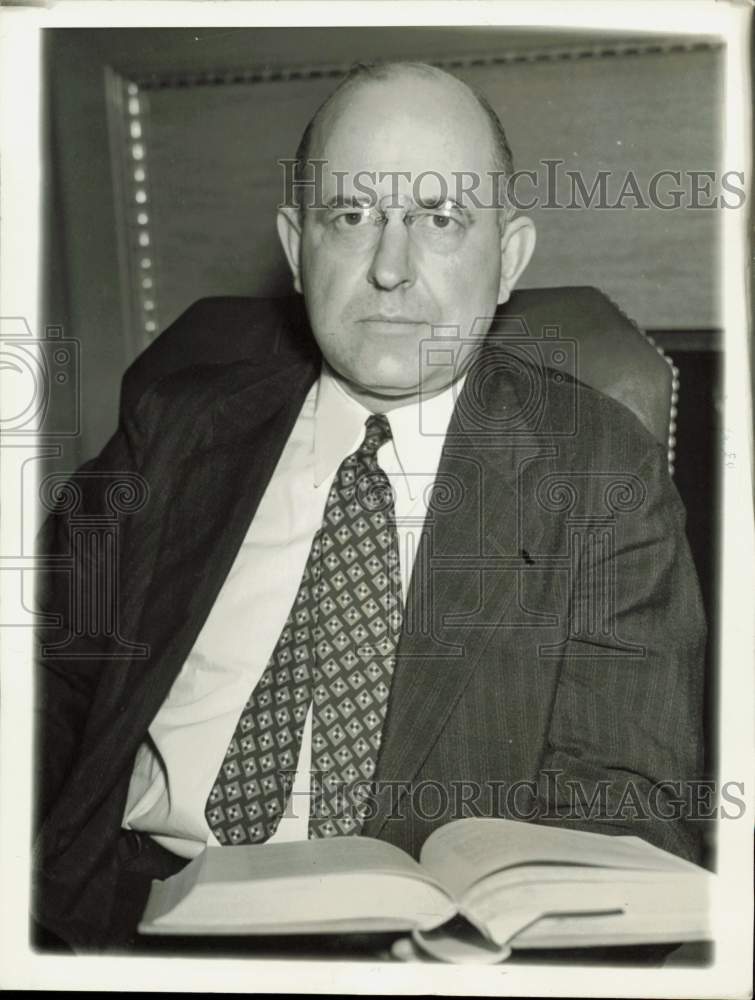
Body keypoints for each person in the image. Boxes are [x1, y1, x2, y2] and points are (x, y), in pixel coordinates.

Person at [32, 61, 706, 952]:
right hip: (117, 914)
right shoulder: (178, 425)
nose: (390, 268)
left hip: (415, 948)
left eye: (439, 219)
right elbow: (41, 680)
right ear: (294, 245)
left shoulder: (595, 473)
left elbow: (625, 810)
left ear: (506, 259)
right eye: (349, 216)